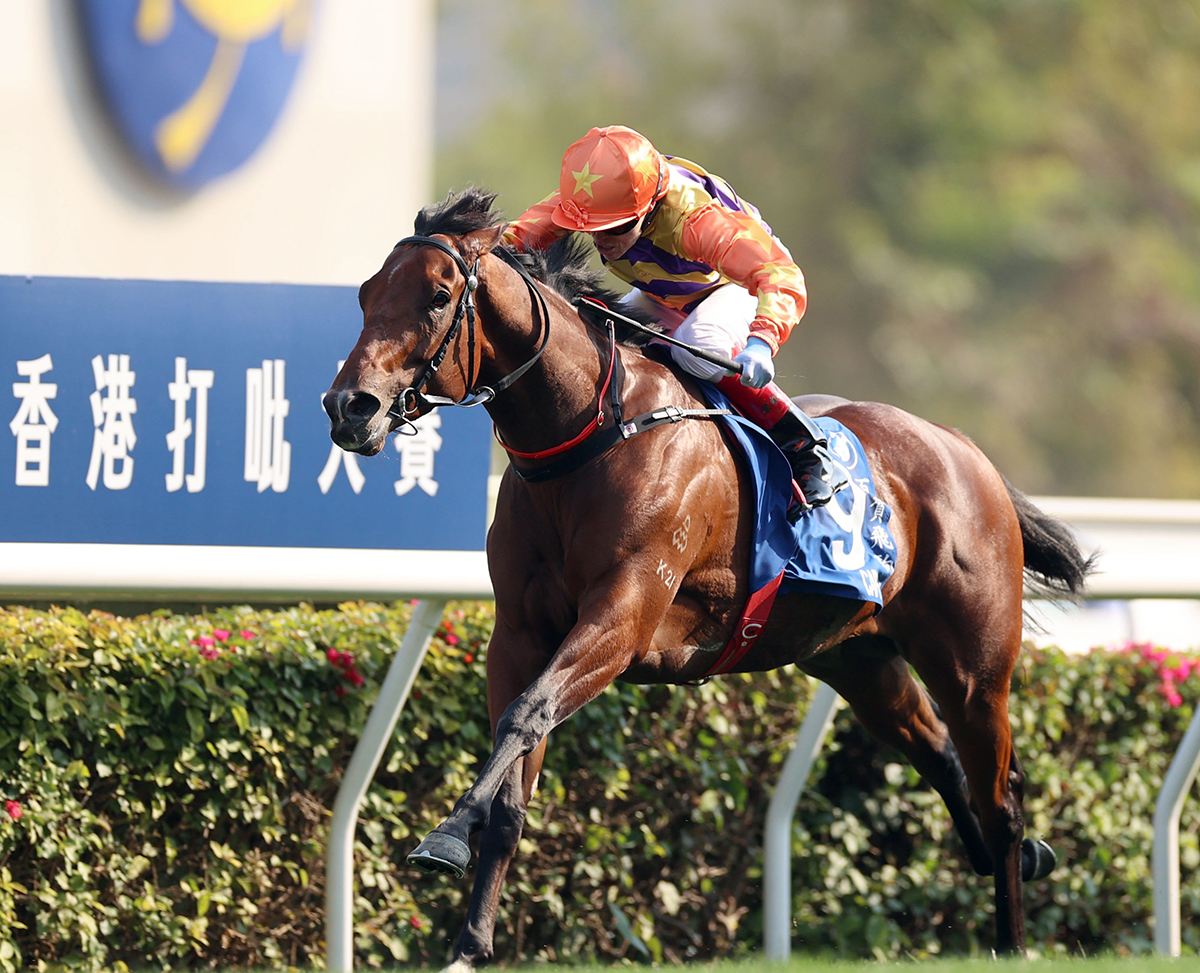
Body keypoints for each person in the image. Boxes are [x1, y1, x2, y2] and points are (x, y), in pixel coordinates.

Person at [502, 124, 846, 508]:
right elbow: (507, 242)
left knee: (699, 346)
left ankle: (804, 446)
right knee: (606, 339)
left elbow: (780, 274)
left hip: (734, 285)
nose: (601, 239)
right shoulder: (591, 196)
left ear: (648, 208)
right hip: (666, 292)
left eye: (614, 227)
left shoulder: (694, 220)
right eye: (590, 228)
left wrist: (763, 340)